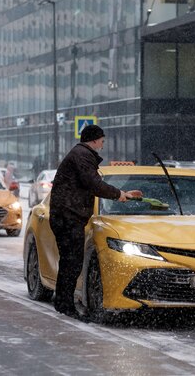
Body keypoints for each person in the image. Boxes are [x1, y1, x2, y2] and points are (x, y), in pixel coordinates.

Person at [49, 124, 138, 316]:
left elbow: (91, 184)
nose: (103, 145)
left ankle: (63, 302)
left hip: (66, 215)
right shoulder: (83, 155)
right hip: (68, 216)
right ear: (95, 140)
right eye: (102, 141)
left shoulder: (80, 154)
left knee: (69, 262)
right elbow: (93, 183)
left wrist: (121, 194)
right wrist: (118, 194)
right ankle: (65, 305)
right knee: (72, 262)